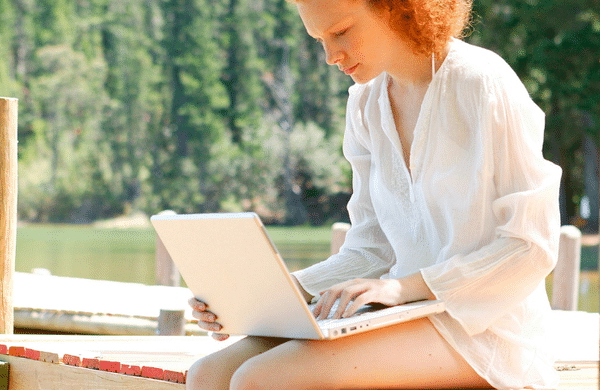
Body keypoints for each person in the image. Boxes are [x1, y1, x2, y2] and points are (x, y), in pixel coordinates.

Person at [186, 0, 563, 388]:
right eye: (319, 39)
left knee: (260, 379)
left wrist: (403, 287)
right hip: (399, 313)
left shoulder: (481, 82)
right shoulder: (365, 104)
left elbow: (530, 245)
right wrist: (274, 296)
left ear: (397, 8)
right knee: (208, 374)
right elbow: (372, 250)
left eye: (341, 32)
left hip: (485, 329)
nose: (331, 56)